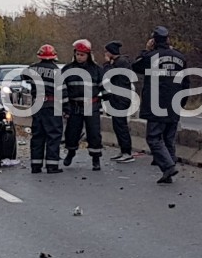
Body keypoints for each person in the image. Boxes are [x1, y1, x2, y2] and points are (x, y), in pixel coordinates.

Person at [131, 26, 189, 184]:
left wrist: (146, 50)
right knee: (169, 138)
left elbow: (136, 66)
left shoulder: (151, 56)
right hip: (174, 103)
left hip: (156, 104)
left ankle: (168, 166)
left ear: (153, 40)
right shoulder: (180, 57)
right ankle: (169, 170)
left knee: (154, 138)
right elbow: (186, 82)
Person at [23, 44, 67, 174]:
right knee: (53, 136)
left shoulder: (32, 69)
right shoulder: (56, 71)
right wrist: (67, 109)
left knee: (37, 136)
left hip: (38, 106)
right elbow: (63, 92)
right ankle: (52, 166)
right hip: (53, 106)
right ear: (53, 57)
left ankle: (35, 166)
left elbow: (23, 77)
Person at [61, 39, 104, 170]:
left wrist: (108, 100)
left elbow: (104, 86)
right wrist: (65, 107)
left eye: (82, 55)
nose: (79, 57)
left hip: (92, 105)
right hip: (74, 106)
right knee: (72, 132)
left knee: (94, 133)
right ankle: (71, 152)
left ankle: (95, 159)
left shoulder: (96, 69)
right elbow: (62, 89)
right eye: (77, 54)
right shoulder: (67, 69)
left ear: (88, 55)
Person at [102, 41, 135, 163]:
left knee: (121, 126)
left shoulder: (121, 63)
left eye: (106, 51)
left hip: (121, 98)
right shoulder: (118, 62)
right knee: (117, 125)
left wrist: (106, 62)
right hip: (117, 97)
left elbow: (106, 75)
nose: (105, 54)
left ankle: (127, 152)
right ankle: (123, 150)